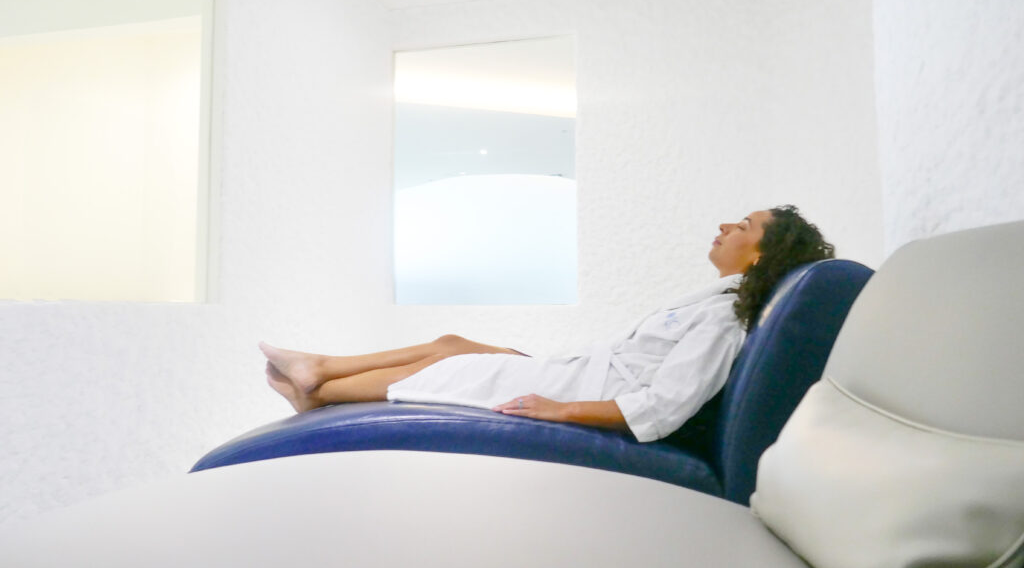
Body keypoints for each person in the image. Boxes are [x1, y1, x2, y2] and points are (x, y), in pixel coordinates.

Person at [260, 205, 834, 443]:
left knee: (452, 364)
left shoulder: (726, 319)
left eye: (744, 226)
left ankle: (321, 393)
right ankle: (321, 370)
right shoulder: (718, 300)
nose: (726, 225)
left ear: (761, 255)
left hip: (581, 391)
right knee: (453, 343)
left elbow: (665, 405)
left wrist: (562, 410)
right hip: (585, 372)